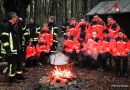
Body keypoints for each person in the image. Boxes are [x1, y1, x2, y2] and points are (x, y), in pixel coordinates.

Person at [1, 12, 26, 83]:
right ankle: (11, 79)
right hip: (11, 50)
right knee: (12, 64)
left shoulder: (15, 26)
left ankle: (19, 76)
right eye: (16, 17)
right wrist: (8, 50)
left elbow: (22, 32)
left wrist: (21, 23)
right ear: (12, 18)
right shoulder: (6, 26)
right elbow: (4, 39)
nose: (17, 18)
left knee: (19, 63)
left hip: (17, 49)